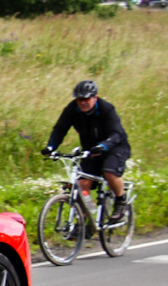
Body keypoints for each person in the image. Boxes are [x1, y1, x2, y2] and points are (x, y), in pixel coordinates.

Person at [42, 80, 131, 223]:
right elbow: (60, 129)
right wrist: (51, 147)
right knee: (82, 184)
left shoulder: (106, 109)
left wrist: (104, 146)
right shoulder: (72, 110)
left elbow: (116, 133)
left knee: (109, 172)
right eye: (79, 99)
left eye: (86, 99)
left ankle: (121, 200)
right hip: (91, 150)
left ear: (95, 97)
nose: (83, 102)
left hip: (115, 146)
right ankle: (85, 222)